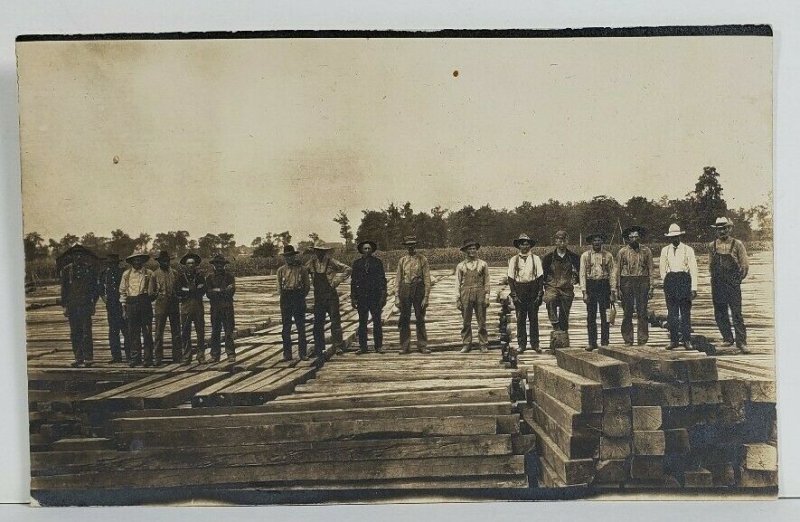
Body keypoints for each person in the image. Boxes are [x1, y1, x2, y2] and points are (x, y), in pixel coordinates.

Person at [709, 217, 750, 354]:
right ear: (716, 231)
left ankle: (741, 342)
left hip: (732, 283)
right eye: (719, 229)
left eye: (725, 228)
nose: (722, 231)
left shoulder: (737, 244)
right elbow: (710, 266)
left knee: (736, 313)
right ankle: (727, 338)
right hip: (717, 283)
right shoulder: (712, 246)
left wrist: (737, 280)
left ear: (730, 228)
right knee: (720, 312)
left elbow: (744, 266)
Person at [307, 240, 352, 361]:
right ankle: (318, 347)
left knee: (335, 321)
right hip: (319, 296)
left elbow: (347, 269)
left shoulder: (331, 262)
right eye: (317, 251)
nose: (320, 253)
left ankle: (338, 346)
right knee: (318, 323)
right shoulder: (311, 263)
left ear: (325, 252)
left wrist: (337, 281)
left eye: (322, 251)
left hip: (331, 295)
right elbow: (302, 273)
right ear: (315, 251)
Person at [614, 226, 656, 346]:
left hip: (642, 281)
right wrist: (617, 288)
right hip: (626, 281)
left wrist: (651, 286)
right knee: (627, 311)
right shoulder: (622, 252)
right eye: (631, 237)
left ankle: (642, 339)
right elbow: (617, 270)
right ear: (628, 239)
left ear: (640, 237)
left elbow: (651, 269)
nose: (634, 239)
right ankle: (628, 339)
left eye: (636, 237)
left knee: (642, 311)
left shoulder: (646, 251)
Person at [59, 245, 100, 367]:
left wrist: (93, 303)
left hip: (85, 305)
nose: (78, 257)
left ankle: (88, 358)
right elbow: (64, 289)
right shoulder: (67, 270)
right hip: (72, 306)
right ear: (72, 257)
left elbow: (95, 289)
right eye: (76, 255)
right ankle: (78, 357)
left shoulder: (89, 269)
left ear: (84, 256)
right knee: (75, 332)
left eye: (81, 255)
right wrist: (65, 306)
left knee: (86, 331)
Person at [659, 224, 699, 350]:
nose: (674, 239)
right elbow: (662, 268)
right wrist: (666, 281)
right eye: (672, 237)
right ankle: (674, 340)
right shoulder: (665, 250)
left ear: (680, 236)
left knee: (685, 313)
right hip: (671, 281)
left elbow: (693, 269)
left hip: (684, 281)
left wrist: (694, 288)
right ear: (669, 238)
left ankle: (687, 340)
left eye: (676, 236)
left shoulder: (688, 250)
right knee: (672, 314)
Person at [507, 234, 544, 353]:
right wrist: (514, 295)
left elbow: (540, 277)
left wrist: (539, 294)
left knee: (534, 318)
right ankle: (521, 344)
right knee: (520, 319)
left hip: (532, 289)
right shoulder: (514, 260)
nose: (525, 245)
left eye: (527, 243)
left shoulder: (535, 258)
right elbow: (510, 279)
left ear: (530, 245)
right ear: (519, 245)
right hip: (520, 289)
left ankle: (535, 344)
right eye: (522, 243)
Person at [395, 235, 432, 354]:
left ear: (416, 246)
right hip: (405, 288)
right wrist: (396, 296)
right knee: (404, 318)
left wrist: (426, 297)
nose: (411, 247)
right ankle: (405, 346)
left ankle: (422, 345)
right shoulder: (402, 260)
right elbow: (398, 279)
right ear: (406, 247)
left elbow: (427, 278)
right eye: (408, 245)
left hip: (419, 289)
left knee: (420, 317)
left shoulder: (422, 259)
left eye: (413, 245)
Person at [351, 239, 387, 354]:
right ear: (361, 250)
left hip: (374, 296)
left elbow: (382, 280)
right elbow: (353, 281)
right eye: (365, 248)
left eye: (369, 249)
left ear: (372, 250)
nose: (367, 250)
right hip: (362, 297)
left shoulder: (377, 263)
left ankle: (378, 346)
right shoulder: (357, 264)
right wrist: (353, 297)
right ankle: (363, 347)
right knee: (362, 322)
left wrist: (383, 296)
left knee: (377, 321)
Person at [580, 233, 616, 351]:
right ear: (591, 242)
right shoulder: (585, 256)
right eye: (594, 240)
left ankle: (605, 342)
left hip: (604, 286)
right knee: (591, 316)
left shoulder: (608, 256)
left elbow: (612, 274)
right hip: (591, 286)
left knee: (605, 315)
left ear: (602, 242)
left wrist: (612, 291)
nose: (596, 242)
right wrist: (584, 292)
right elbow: (582, 274)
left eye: (599, 240)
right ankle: (592, 342)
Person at [119, 249, 155, 367]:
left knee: (147, 332)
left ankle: (148, 359)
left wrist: (149, 298)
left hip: (144, 303)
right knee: (133, 333)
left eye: (139, 259)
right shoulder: (126, 274)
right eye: (135, 259)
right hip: (131, 303)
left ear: (143, 261)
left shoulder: (149, 273)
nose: (137, 261)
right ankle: (135, 358)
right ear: (132, 261)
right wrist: (124, 310)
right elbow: (123, 292)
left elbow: (154, 291)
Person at [541, 230, 580, 335]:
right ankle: (555, 324)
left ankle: (563, 330)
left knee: (564, 312)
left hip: (567, 288)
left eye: (564, 241)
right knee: (549, 299)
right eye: (559, 241)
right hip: (552, 286)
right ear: (555, 242)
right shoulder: (548, 258)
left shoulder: (573, 257)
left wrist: (576, 278)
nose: (562, 243)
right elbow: (542, 275)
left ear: (567, 242)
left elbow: (581, 272)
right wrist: (542, 289)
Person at [456, 239, 491, 353]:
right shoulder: (461, 266)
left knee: (481, 320)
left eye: (474, 248)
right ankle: (466, 344)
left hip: (480, 292)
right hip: (465, 293)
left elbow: (487, 281)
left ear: (477, 250)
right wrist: (458, 299)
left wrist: (487, 296)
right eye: (469, 249)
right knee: (466, 321)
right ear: (465, 251)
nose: (472, 251)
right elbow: (457, 283)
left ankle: (483, 343)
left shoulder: (483, 264)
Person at [277, 245, 311, 361]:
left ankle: (303, 353)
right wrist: (284, 296)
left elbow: (307, 286)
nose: (289, 259)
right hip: (286, 298)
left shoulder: (302, 269)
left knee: (300, 327)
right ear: (284, 258)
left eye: (291, 256)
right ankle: (287, 354)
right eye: (287, 257)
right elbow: (279, 288)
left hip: (298, 297)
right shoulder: (281, 270)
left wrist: (300, 296)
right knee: (286, 327)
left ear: (294, 256)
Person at [148, 250, 181, 365]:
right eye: (163, 261)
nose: (165, 263)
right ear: (159, 262)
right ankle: (158, 358)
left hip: (174, 303)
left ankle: (177, 356)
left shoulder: (175, 273)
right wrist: (156, 294)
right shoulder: (154, 274)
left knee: (176, 331)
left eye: (167, 261)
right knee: (158, 332)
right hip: (161, 303)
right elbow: (150, 293)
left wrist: (178, 296)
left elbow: (179, 289)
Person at [175, 252, 207, 364]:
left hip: (198, 306)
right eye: (188, 263)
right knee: (185, 332)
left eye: (193, 263)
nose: (191, 265)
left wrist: (187, 290)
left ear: (196, 264)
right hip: (185, 307)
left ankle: (201, 355)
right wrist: (191, 290)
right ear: (185, 265)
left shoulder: (200, 277)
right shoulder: (180, 277)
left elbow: (202, 291)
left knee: (200, 332)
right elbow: (178, 291)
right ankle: (187, 356)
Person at [206, 253, 237, 363]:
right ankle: (215, 355)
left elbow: (231, 292)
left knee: (229, 331)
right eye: (216, 264)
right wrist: (223, 290)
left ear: (224, 265)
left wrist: (217, 290)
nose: (219, 266)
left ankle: (230, 354)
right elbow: (209, 294)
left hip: (227, 308)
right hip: (215, 308)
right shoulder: (209, 278)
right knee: (215, 331)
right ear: (213, 265)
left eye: (221, 264)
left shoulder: (230, 277)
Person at [99, 253, 127, 363]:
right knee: (113, 331)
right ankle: (116, 356)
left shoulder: (123, 273)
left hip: (122, 304)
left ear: (117, 263)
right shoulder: (104, 274)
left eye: (114, 263)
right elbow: (100, 288)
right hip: (111, 305)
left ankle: (129, 355)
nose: (112, 265)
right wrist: (105, 299)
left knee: (126, 330)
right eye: (110, 263)